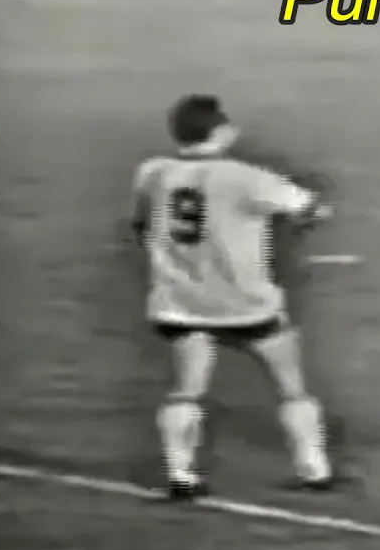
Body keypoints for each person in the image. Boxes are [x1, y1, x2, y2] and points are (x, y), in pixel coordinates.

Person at [130, 94, 337, 499]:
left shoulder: (152, 173)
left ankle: (180, 474)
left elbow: (141, 224)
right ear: (221, 131)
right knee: (291, 385)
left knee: (187, 388)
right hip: (245, 303)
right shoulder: (245, 177)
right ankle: (314, 468)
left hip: (181, 301)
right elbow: (308, 208)